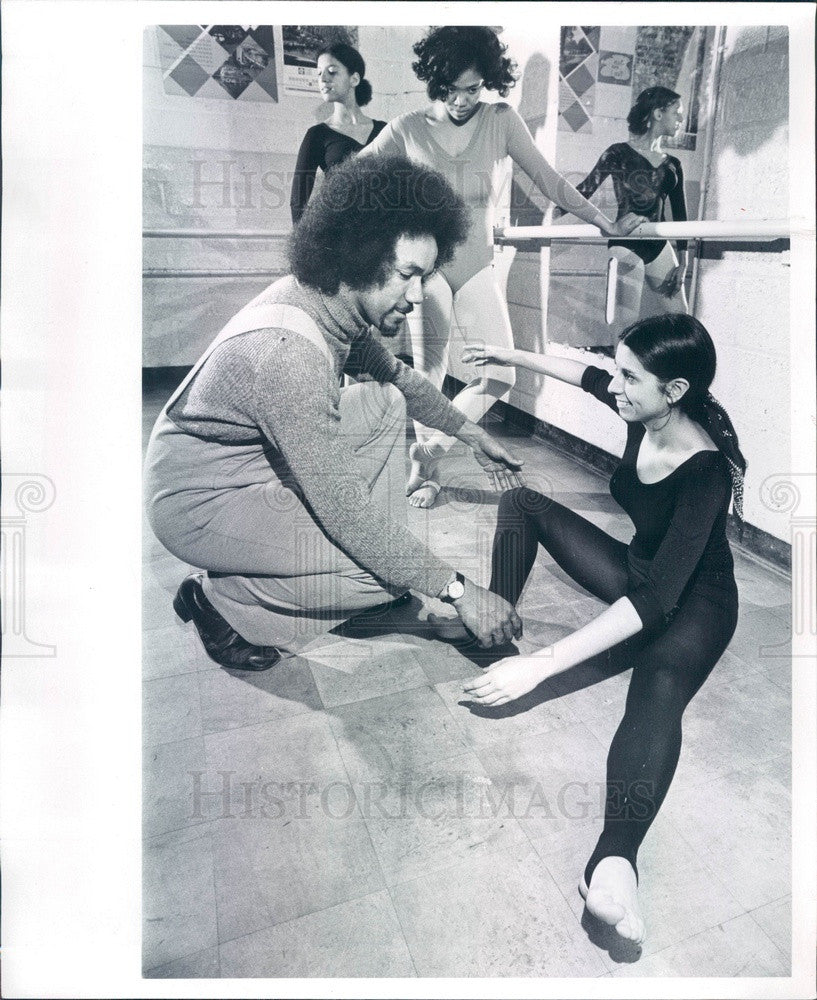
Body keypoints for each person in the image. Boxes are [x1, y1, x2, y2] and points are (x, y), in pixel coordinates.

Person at [144, 155, 525, 671]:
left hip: (244, 460)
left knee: (386, 399)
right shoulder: (289, 355)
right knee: (377, 577)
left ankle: (363, 562)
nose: (417, 297)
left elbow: (404, 383)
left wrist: (473, 433)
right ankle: (218, 603)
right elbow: (344, 508)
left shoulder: (331, 303)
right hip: (197, 499)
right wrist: (459, 591)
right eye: (407, 275)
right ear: (361, 255)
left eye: (425, 277)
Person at [435, 315, 745, 945]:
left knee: (657, 686)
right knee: (523, 502)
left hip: (697, 604)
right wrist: (505, 352)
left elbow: (659, 601)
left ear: (675, 390)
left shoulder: (705, 469)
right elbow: (580, 374)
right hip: (641, 572)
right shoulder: (646, 406)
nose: (617, 386)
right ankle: (494, 625)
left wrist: (543, 663)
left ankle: (614, 861)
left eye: (630, 377)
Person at [360, 26, 645, 508]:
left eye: (473, 88)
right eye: (451, 89)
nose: (461, 99)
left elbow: (550, 181)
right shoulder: (406, 128)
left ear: (488, 80)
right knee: (430, 375)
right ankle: (421, 477)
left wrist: (603, 221)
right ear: (435, 81)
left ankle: (431, 450)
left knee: (501, 375)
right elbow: (351, 178)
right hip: (426, 273)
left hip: (476, 267)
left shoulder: (501, 119)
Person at [558, 86, 690, 327]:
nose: (681, 119)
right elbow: (584, 191)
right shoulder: (617, 153)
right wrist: (546, 212)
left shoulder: (673, 165)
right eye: (676, 112)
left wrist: (684, 261)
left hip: (657, 245)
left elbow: (681, 217)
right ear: (658, 114)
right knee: (626, 324)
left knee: (683, 320)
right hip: (624, 243)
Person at [290, 43, 386, 224]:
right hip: (340, 235)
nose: (323, 79)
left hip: (382, 235)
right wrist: (307, 248)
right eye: (319, 73)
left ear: (354, 79)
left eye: (332, 71)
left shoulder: (384, 131)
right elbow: (298, 201)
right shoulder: (317, 135)